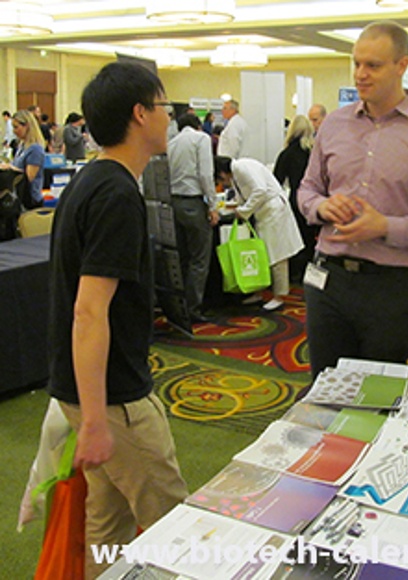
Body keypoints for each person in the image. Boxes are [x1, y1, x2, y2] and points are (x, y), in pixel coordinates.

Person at [47, 61, 188, 579]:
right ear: (139, 114)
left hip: (93, 392)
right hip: (114, 399)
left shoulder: (93, 181)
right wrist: (94, 420)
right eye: (164, 107)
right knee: (178, 528)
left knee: (105, 528)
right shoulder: (115, 194)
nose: (169, 119)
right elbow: (88, 312)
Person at [297, 21, 408, 379]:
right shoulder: (333, 125)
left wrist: (386, 227)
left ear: (402, 65)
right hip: (327, 279)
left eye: (373, 65)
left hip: (392, 285)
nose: (360, 74)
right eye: (357, 63)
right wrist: (321, 207)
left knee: (377, 395)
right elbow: (306, 189)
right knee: (323, 389)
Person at [215, 155, 304, 311]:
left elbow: (260, 190)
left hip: (273, 211)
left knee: (277, 255)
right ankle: (258, 291)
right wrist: (241, 208)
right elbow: (244, 195)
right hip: (264, 213)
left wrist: (243, 211)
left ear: (222, 173)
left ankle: (279, 296)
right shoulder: (237, 172)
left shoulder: (241, 168)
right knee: (262, 255)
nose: (222, 183)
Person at [167, 112, 219, 323]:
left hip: (174, 202)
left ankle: (179, 308)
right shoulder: (201, 139)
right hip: (193, 202)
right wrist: (213, 205)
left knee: (181, 258)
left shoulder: (171, 143)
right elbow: (206, 174)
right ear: (199, 125)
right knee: (199, 259)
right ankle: (194, 309)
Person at [273, 114, 318, 283]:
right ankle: (311, 271)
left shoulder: (287, 153)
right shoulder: (314, 152)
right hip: (314, 200)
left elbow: (276, 180)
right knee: (310, 237)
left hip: (296, 199)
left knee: (295, 237)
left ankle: (296, 273)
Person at [0, 109, 45, 208]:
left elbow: (29, 177)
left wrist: (10, 168)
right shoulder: (22, 146)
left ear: (27, 126)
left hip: (30, 200)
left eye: (16, 127)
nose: (14, 131)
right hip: (18, 197)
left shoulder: (35, 149)